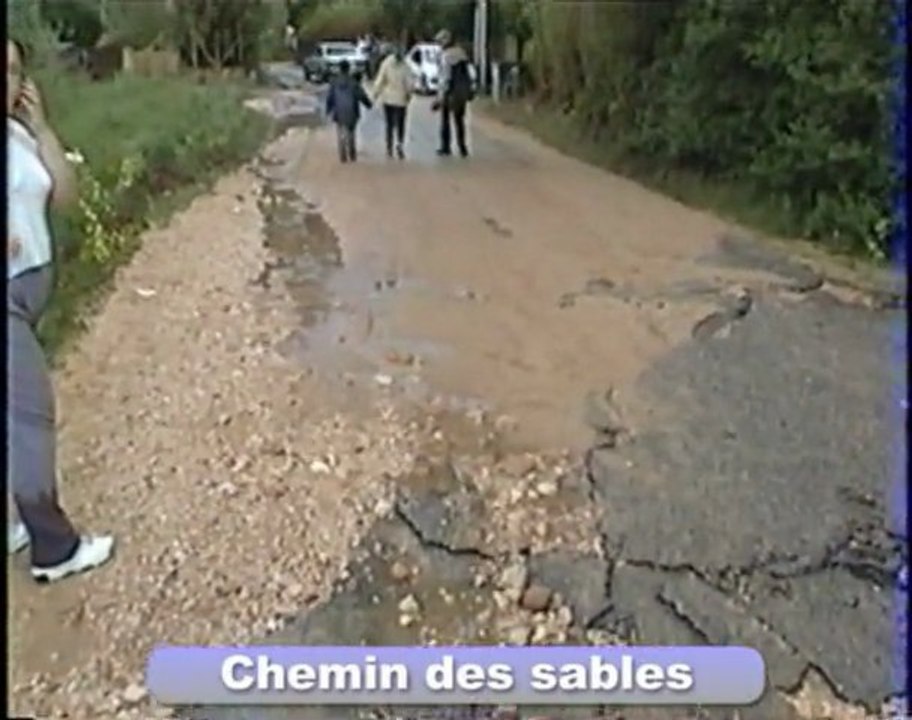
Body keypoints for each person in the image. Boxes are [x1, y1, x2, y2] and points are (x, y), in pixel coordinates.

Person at [7, 39, 115, 582]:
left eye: (12, 71)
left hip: (26, 297)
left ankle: (19, 519)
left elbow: (64, 195)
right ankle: (54, 549)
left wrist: (42, 126)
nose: (6, 81)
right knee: (31, 419)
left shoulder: (18, 134)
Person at [432, 29, 475, 158]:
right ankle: (462, 147)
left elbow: (445, 78)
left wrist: (439, 98)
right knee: (459, 120)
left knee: (445, 120)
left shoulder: (446, 56)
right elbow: (470, 73)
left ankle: (446, 147)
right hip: (462, 92)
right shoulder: (462, 54)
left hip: (450, 92)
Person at [325, 60, 373, 164]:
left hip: (339, 111)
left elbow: (330, 98)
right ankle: (352, 153)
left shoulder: (334, 82)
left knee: (341, 131)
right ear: (348, 69)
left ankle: (343, 155)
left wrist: (328, 110)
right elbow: (361, 95)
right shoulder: (353, 82)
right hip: (352, 111)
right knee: (351, 132)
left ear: (339, 69)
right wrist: (368, 104)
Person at [372, 45, 412, 159]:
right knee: (401, 124)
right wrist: (409, 94)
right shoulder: (405, 66)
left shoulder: (386, 64)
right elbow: (409, 83)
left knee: (389, 124)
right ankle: (399, 144)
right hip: (401, 100)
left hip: (388, 99)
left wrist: (375, 93)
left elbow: (380, 80)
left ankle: (389, 147)